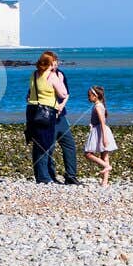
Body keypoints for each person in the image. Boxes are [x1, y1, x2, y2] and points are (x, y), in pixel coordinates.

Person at [25, 51, 64, 184]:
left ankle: (40, 175)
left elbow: (29, 92)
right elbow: (63, 94)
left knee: (36, 142)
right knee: (45, 143)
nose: (55, 63)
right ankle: (43, 177)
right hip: (46, 111)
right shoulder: (52, 76)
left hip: (32, 110)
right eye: (53, 61)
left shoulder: (34, 74)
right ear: (50, 63)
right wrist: (61, 80)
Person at [51, 54, 80, 184]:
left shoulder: (60, 74)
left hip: (61, 116)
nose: (55, 65)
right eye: (52, 62)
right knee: (48, 148)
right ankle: (50, 176)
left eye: (56, 62)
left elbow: (66, 93)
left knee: (69, 145)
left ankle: (71, 175)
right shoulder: (40, 75)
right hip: (48, 116)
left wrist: (62, 105)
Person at [83, 85, 117, 185]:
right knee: (104, 154)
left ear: (95, 96)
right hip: (98, 129)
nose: (88, 97)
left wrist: (104, 137)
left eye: (89, 95)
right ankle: (105, 181)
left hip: (100, 131)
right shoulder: (99, 105)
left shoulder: (98, 107)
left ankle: (106, 166)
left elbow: (102, 122)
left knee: (88, 153)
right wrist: (92, 124)